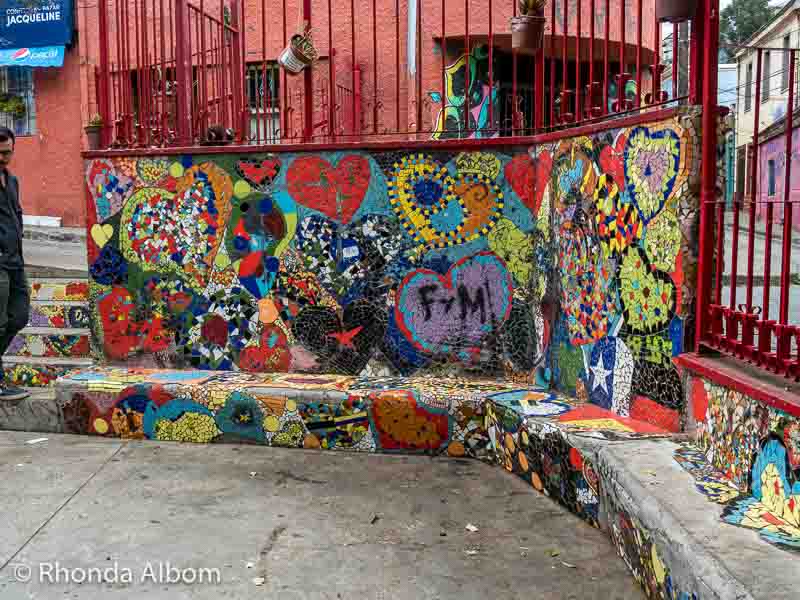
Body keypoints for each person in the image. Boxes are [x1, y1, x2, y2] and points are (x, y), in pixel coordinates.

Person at [0, 126, 30, 400]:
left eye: (7, 153)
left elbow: (16, 217)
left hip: (15, 261)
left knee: (20, 315)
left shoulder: (12, 181)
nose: (2, 158)